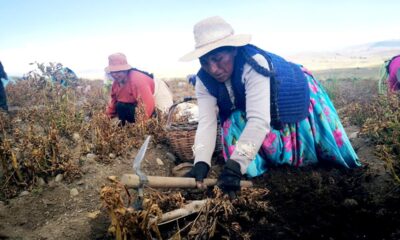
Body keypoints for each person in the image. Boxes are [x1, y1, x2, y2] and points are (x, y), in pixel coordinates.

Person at [180, 16, 361, 195]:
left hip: (289, 94)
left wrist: (235, 166)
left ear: (234, 50)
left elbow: (259, 120)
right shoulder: (204, 80)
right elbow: (206, 122)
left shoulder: (254, 64)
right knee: (231, 125)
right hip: (251, 107)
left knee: (248, 149)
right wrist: (201, 162)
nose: (213, 69)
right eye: (205, 62)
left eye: (218, 59)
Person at [105, 52, 173, 125]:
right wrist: (106, 119)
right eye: (113, 72)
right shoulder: (116, 84)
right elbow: (113, 103)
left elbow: (147, 105)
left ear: (126, 70)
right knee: (120, 106)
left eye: (119, 71)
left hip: (157, 91)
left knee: (165, 117)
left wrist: (140, 125)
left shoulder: (137, 80)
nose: (115, 75)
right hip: (139, 99)